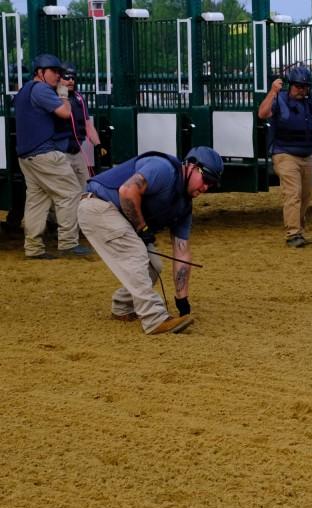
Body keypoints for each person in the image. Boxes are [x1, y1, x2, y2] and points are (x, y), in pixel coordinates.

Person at [77, 147, 223, 335]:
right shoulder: (163, 168)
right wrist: (142, 228)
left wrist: (182, 300)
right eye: (206, 179)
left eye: (212, 184)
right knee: (137, 253)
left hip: (119, 216)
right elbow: (127, 191)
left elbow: (182, 252)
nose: (205, 187)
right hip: (97, 206)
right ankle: (155, 319)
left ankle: (123, 307)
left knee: (154, 265)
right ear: (191, 166)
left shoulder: (183, 206)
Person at [14, 53, 92, 259]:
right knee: (71, 192)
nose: (58, 76)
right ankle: (67, 243)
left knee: (37, 200)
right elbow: (65, 113)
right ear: (40, 73)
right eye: (54, 72)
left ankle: (33, 249)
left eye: (59, 72)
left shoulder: (25, 90)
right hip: (44, 153)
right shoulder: (41, 89)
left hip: (26, 156)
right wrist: (63, 93)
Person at [258, 61, 312, 248]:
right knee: (293, 193)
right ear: (291, 85)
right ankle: (293, 233)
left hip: (306, 154)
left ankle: (297, 227)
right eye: (299, 86)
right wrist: (273, 91)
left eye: (305, 87)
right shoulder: (279, 98)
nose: (302, 90)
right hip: (284, 153)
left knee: (306, 195)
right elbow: (262, 113)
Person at [56, 62, 105, 189]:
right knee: (68, 191)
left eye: (73, 77)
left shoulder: (79, 98)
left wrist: (98, 144)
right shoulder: (53, 97)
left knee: (87, 186)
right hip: (60, 153)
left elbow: (88, 125)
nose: (71, 80)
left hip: (77, 151)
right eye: (66, 77)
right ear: (59, 78)